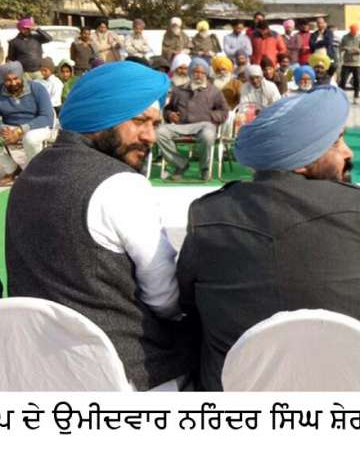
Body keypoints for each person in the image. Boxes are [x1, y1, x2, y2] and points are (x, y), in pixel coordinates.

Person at [179, 85, 360, 391]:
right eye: (336, 142)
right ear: (301, 161)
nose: (348, 153)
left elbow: (186, 300)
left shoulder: (207, 215)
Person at [5, 61, 196, 390]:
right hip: (122, 375)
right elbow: (164, 299)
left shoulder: (29, 174)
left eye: (155, 124)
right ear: (102, 116)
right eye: (139, 121)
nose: (150, 136)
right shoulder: (122, 185)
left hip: (34, 371)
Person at [157, 58, 228, 180]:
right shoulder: (179, 90)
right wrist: (169, 115)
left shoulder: (214, 91)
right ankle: (181, 164)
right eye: (196, 72)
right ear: (190, 73)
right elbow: (168, 109)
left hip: (205, 126)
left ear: (206, 74)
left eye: (202, 73)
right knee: (159, 132)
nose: (199, 75)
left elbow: (224, 112)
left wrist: (208, 116)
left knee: (207, 136)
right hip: (181, 126)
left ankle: (204, 168)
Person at [0, 61, 55, 185]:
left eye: (16, 78)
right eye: (8, 80)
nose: (13, 83)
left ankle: (35, 171)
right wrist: (4, 130)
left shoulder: (37, 89)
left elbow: (47, 117)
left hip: (37, 126)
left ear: (22, 76)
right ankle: (12, 170)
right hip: (11, 128)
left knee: (30, 139)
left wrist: (21, 130)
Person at [339, 24, 360, 103]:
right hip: (346, 63)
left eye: (355, 31)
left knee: (356, 81)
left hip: (356, 63)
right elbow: (340, 47)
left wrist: (357, 50)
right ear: (350, 30)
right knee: (343, 81)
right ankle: (341, 97)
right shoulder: (345, 37)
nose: (354, 32)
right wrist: (344, 48)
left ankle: (356, 97)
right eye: (352, 31)